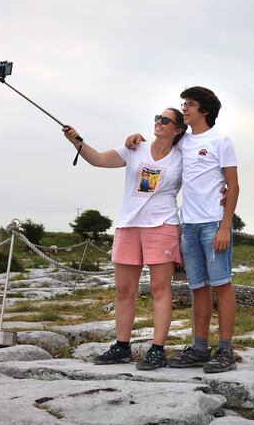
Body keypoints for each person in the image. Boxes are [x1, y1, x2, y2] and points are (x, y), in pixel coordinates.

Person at [127, 86, 240, 373]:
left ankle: (225, 350)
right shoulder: (183, 142)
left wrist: (225, 226)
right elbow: (161, 142)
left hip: (213, 223)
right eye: (183, 104)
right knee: (198, 288)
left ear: (204, 110)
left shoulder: (221, 141)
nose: (184, 109)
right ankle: (200, 347)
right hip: (187, 225)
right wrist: (135, 139)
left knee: (222, 285)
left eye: (189, 104)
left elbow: (234, 185)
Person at [62, 108, 185, 370]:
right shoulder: (135, 148)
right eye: (156, 118)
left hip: (162, 225)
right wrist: (76, 140)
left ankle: (158, 349)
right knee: (124, 290)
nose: (158, 123)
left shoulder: (182, 157)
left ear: (178, 129)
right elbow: (97, 160)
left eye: (165, 120)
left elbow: (200, 182)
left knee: (160, 290)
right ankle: (122, 346)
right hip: (129, 224)